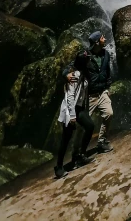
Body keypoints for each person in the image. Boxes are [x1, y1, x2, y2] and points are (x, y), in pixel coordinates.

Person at [54, 50, 95, 179]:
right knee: (66, 138)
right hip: (70, 109)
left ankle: (80, 156)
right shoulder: (74, 75)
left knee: (90, 126)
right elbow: (70, 96)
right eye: (87, 59)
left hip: (79, 107)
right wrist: (72, 116)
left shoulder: (84, 73)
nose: (89, 61)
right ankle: (59, 167)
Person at [87, 30, 114, 153]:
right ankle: (78, 153)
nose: (105, 39)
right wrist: (66, 74)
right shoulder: (85, 55)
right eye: (103, 38)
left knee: (109, 113)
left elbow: (107, 71)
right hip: (89, 95)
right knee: (84, 125)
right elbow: (72, 66)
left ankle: (101, 142)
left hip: (102, 91)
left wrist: (108, 87)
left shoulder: (106, 54)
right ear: (97, 42)